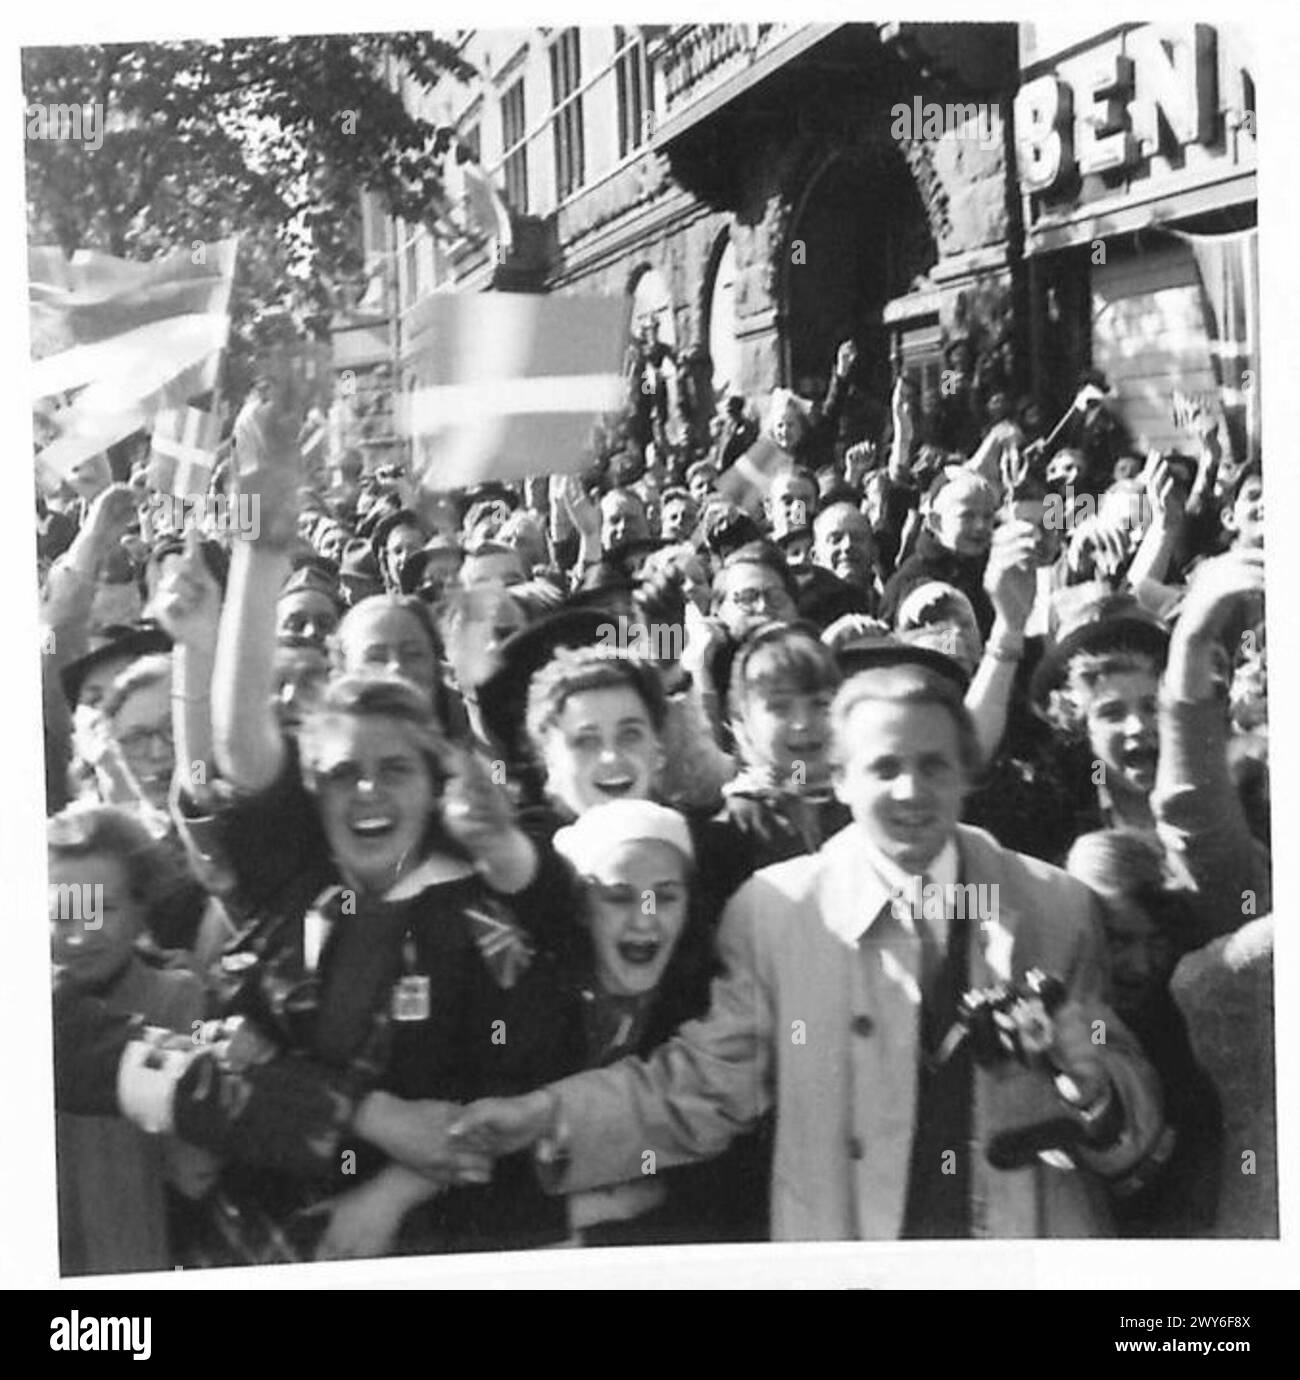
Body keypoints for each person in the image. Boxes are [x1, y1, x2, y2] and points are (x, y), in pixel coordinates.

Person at [445, 650, 1166, 1239]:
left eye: (934, 765)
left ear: (965, 775)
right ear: (842, 778)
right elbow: (702, 1088)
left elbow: (1131, 1104)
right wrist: (546, 1115)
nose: (911, 789)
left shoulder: (1050, 903)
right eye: (884, 767)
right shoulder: (777, 912)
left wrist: (1093, 1086)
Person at [49, 804, 216, 1274]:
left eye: (102, 909)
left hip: (126, 1254)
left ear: (142, 908)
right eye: (63, 912)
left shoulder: (173, 996)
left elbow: (193, 1173)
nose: (81, 936)